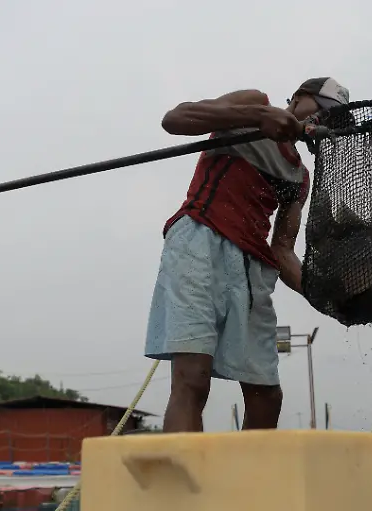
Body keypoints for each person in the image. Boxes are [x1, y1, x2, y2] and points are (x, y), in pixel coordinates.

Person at [144, 78, 350, 432]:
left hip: (252, 269)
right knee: (192, 379)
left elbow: (282, 251)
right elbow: (175, 119)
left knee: (266, 396)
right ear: (299, 98)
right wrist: (257, 116)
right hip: (200, 240)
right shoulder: (254, 103)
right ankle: (184, 469)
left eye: (335, 119)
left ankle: (250, 469)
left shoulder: (299, 177)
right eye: (324, 110)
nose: (326, 120)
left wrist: (325, 295)